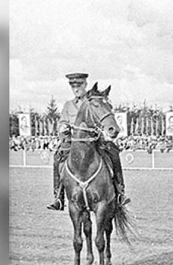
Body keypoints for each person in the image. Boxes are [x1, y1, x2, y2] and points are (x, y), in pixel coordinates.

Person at [47, 72, 130, 210]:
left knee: (113, 152)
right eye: (73, 86)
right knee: (57, 157)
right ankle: (58, 197)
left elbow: (102, 117)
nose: (76, 89)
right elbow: (62, 122)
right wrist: (63, 127)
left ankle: (120, 192)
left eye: (79, 85)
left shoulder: (94, 100)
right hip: (73, 140)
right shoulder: (68, 105)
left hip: (93, 140)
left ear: (85, 84)